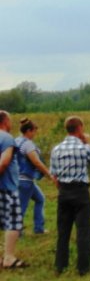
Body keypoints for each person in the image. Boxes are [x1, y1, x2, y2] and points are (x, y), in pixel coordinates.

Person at [50, 116, 90, 275]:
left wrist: (62, 188)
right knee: (84, 230)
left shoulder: (56, 149)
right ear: (79, 129)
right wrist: (87, 143)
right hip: (80, 192)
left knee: (63, 230)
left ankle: (60, 266)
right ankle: (83, 268)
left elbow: (54, 175)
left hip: (64, 192)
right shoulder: (84, 148)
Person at [16, 118, 56, 235]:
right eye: (34, 131)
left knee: (40, 199)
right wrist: (49, 174)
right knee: (21, 207)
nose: (35, 134)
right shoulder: (27, 144)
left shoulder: (16, 140)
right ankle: (17, 233)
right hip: (25, 181)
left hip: (18, 178)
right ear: (29, 131)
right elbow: (36, 162)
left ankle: (39, 228)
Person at [0, 110, 28, 268]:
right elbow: (4, 163)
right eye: (10, 121)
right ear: (4, 122)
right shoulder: (7, 138)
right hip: (6, 187)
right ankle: (9, 258)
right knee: (13, 222)